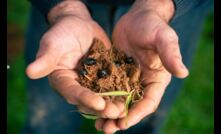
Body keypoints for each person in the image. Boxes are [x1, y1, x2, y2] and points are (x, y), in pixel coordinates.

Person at [23, 0, 213, 133]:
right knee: (48, 116)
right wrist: (63, 8)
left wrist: (160, 5)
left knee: (142, 115)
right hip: (62, 12)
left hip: (172, 12)